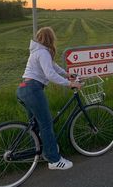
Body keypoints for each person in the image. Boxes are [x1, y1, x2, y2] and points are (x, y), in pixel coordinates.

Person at [17, 27, 81, 170]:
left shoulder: (37, 51)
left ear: (39, 38)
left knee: (36, 125)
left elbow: (54, 66)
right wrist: (69, 83)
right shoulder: (43, 52)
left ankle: (41, 151)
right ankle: (53, 160)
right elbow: (50, 74)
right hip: (33, 89)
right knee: (46, 124)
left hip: (23, 88)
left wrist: (66, 74)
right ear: (51, 39)